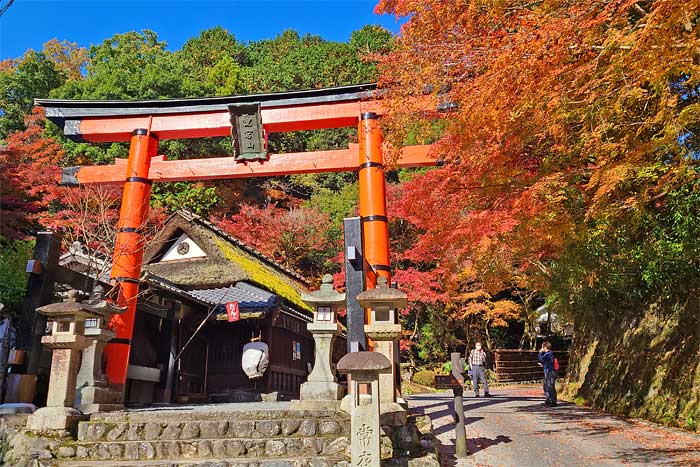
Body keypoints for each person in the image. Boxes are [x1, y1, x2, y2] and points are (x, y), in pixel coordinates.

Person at [538, 341, 557, 406]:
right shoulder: (548, 354)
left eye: (542, 347)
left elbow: (541, 359)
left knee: (550, 386)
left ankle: (553, 401)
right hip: (548, 371)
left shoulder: (548, 354)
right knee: (546, 386)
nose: (542, 348)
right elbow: (546, 362)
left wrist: (540, 353)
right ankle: (548, 400)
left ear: (545, 347)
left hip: (550, 372)